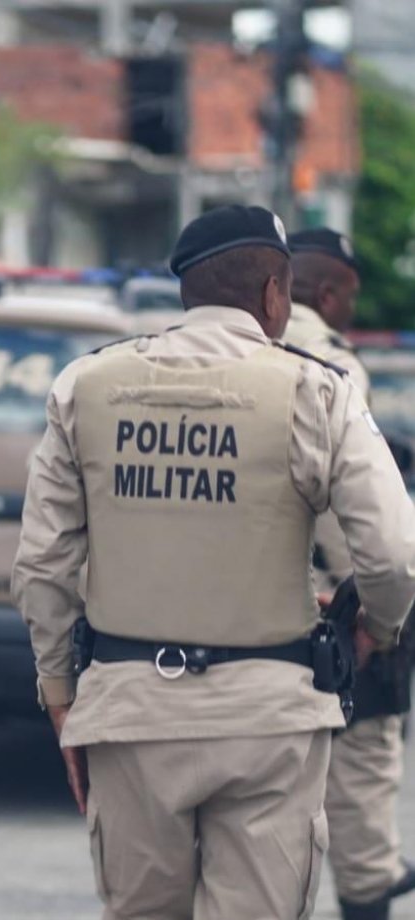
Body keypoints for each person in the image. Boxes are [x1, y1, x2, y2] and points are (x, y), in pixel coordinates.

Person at [12, 204, 415, 920]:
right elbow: (393, 554)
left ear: (187, 293)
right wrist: (375, 631)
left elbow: (43, 564)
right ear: (273, 294)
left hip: (130, 711)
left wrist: (59, 692)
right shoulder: (318, 390)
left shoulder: (86, 387)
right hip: (269, 719)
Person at [285, 227, 415, 920]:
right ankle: (369, 886)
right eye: (351, 301)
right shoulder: (335, 365)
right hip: (328, 603)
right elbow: (355, 510)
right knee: (362, 764)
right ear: (328, 293)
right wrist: (375, 611)